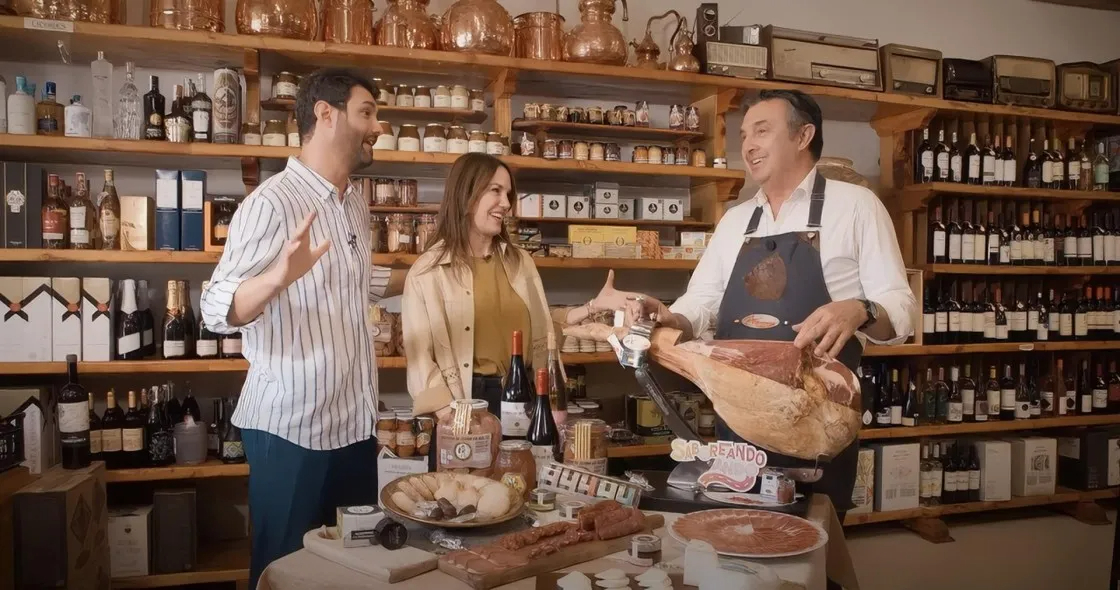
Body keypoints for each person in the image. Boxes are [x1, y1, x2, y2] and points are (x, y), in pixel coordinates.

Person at [631, 89, 916, 518]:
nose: (748, 145)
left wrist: (862, 308)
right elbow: (703, 300)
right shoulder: (736, 220)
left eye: (762, 131)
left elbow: (902, 307)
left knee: (814, 538)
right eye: (744, 135)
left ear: (803, 136)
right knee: (738, 529)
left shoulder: (856, 207)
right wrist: (673, 316)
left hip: (819, 420)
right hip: (740, 419)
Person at [200, 68, 403, 587]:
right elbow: (215, 307)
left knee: (352, 570)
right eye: (367, 112)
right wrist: (275, 279)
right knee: (286, 572)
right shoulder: (272, 203)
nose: (377, 126)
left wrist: (432, 271)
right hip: (292, 431)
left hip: (353, 426)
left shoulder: (354, 201)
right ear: (325, 114)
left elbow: (356, 280)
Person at [403, 153, 637, 419]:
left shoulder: (520, 262)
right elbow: (420, 359)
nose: (506, 204)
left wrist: (593, 307)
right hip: (466, 403)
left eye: (508, 194)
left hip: (525, 395)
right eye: (495, 190)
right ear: (465, 195)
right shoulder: (428, 272)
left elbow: (540, 326)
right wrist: (452, 418)